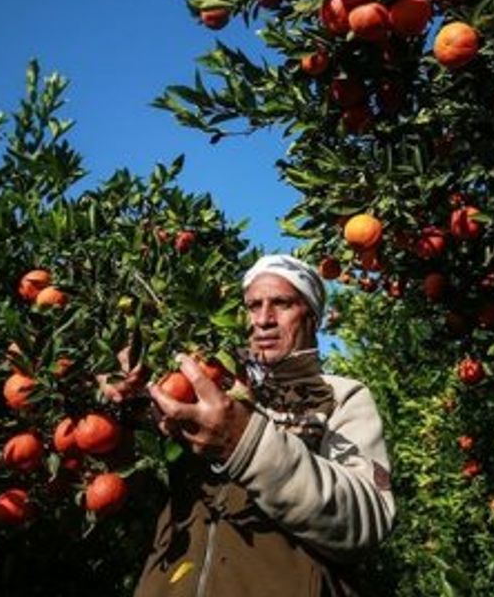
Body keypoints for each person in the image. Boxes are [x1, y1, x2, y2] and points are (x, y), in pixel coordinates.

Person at [114, 254, 396, 596]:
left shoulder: (340, 396)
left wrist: (246, 443)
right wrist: (123, 398)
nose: (263, 320)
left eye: (282, 304)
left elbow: (367, 519)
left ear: (313, 317)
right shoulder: (207, 390)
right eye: (252, 306)